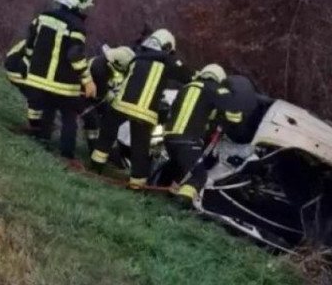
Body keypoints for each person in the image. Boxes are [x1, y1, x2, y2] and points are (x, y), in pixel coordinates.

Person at [89, 29, 194, 189]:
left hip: (121, 105)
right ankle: (137, 186)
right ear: (166, 47)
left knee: (106, 135)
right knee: (140, 149)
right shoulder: (168, 62)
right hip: (146, 113)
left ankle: (95, 168)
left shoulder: (136, 57)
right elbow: (189, 77)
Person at [16, 0, 95, 159]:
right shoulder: (77, 27)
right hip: (63, 84)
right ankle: (66, 154)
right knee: (69, 117)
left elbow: (30, 42)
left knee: (48, 110)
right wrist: (87, 80)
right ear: (81, 5)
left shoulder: (44, 16)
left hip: (39, 79)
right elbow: (75, 56)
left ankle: (43, 141)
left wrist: (27, 63)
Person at [163, 64, 239, 201]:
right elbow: (234, 115)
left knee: (181, 169)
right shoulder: (216, 89)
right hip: (188, 141)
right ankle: (183, 202)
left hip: (169, 138)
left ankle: (166, 193)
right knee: (199, 176)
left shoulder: (187, 87)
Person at [81, 45, 136, 154]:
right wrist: (116, 101)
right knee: (93, 123)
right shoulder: (99, 68)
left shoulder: (106, 63)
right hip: (82, 98)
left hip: (94, 99)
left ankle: (109, 152)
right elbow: (101, 93)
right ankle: (94, 151)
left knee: (109, 119)